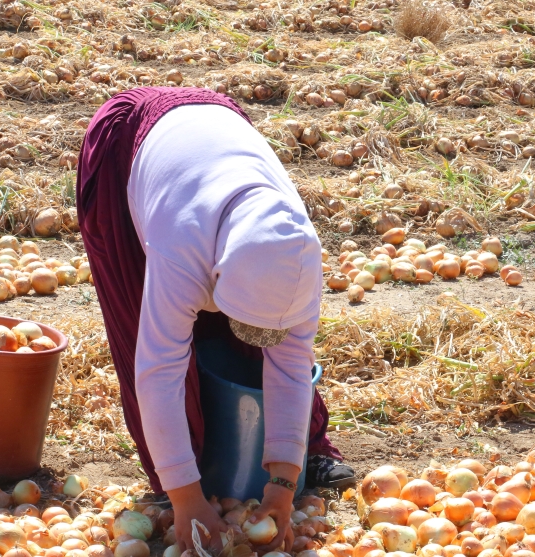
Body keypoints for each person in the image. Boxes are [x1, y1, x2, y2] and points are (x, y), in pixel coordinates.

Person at [76, 87, 355, 553]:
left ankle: (297, 452)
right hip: (132, 143)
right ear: (217, 274)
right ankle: (180, 478)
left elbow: (289, 367)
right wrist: (185, 497)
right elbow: (157, 369)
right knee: (141, 325)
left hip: (217, 130)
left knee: (246, 352)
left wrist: (283, 485)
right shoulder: (181, 247)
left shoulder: (299, 255)